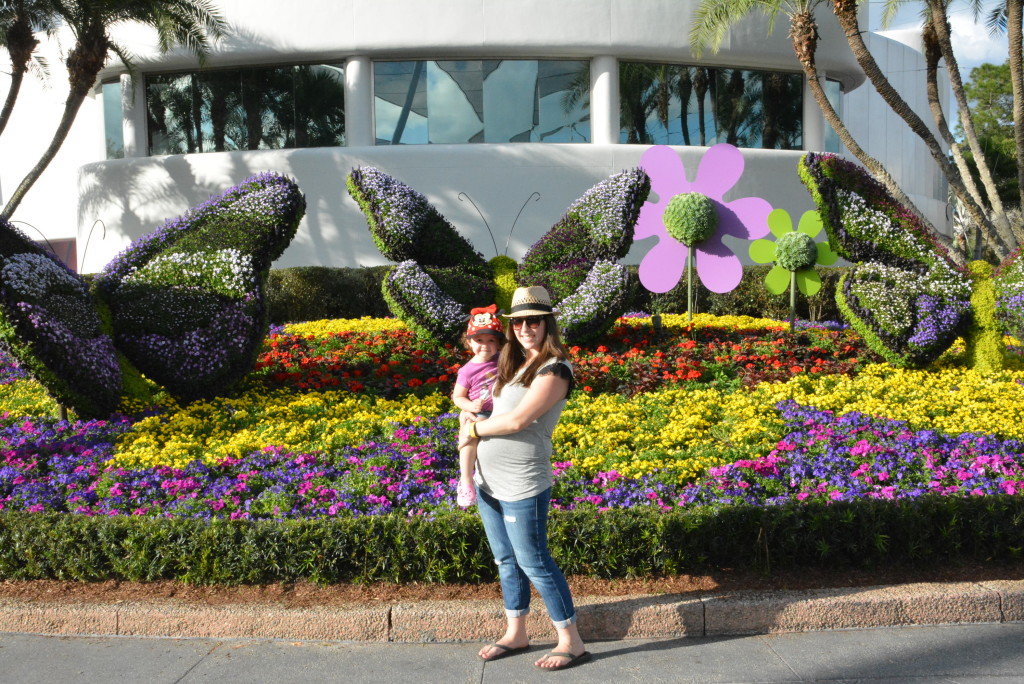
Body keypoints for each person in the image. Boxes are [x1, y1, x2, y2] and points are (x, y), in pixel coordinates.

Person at [458, 286, 591, 671]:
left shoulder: (555, 369)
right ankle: (516, 632)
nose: (525, 328)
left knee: (534, 561)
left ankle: (572, 641)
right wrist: (471, 417)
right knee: (505, 560)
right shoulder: (512, 364)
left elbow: (519, 420)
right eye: (517, 322)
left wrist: (475, 433)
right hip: (488, 481)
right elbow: (490, 408)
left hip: (523, 482)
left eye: (533, 320)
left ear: (547, 323)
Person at [451, 304, 504, 508]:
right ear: (469, 342)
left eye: (491, 340)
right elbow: (458, 397)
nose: (485, 345)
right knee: (469, 439)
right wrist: (470, 407)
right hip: (481, 412)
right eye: (479, 340)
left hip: (503, 410)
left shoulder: (502, 359)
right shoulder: (467, 371)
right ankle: (466, 481)